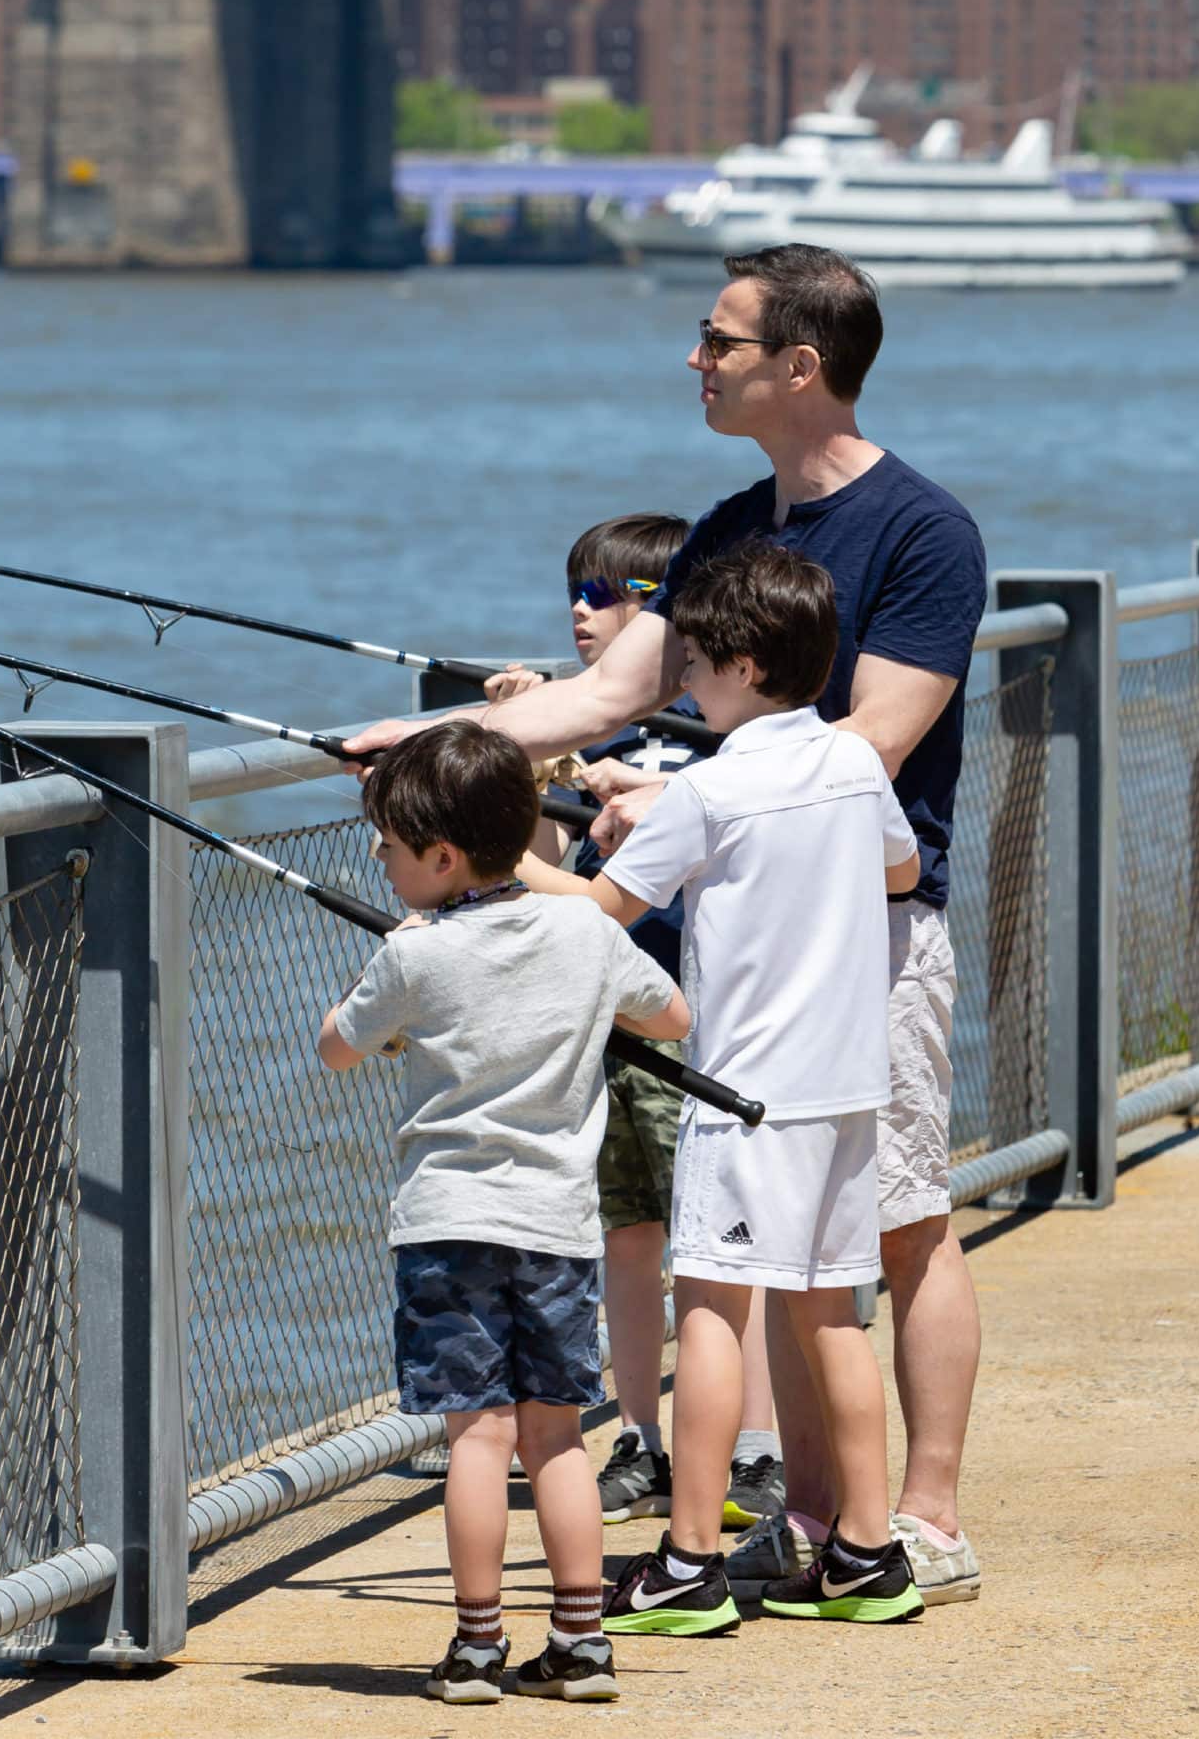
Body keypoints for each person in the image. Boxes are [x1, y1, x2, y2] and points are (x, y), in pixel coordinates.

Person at [345, 244, 988, 1604]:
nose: (692, 361)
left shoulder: (926, 533)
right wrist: (442, 740)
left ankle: (924, 1516)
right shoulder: (726, 528)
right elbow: (599, 701)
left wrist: (686, 789)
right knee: (807, 1267)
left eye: (718, 341)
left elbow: (870, 747)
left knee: (902, 1223)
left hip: (874, 935)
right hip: (740, 945)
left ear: (798, 367)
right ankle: (817, 1522)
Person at [577, 542, 926, 1632]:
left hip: (742, 1096)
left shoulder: (711, 790)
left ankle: (687, 1560)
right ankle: (868, 1551)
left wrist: (508, 863)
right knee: (834, 1315)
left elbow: (595, 918)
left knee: (713, 1309)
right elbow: (902, 870)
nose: (679, 679)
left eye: (688, 661)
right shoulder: (852, 765)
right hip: (843, 1087)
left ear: (734, 661)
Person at [317, 723, 688, 1704]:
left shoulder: (415, 955)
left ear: (441, 858)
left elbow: (336, 1048)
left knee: (474, 1437)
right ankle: (581, 1641)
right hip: (559, 1230)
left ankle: (477, 1645)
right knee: (556, 1434)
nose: (378, 859)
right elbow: (673, 1016)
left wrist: (398, 974)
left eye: (389, 847)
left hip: (447, 1227)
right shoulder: (588, 932)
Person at [490, 512, 785, 1532]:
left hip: (700, 1019)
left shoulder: (727, 738)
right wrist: (523, 753)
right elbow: (537, 869)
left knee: (723, 1244)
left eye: (609, 593)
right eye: (576, 589)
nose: (583, 609)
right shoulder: (587, 739)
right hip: (607, 1024)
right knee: (628, 1236)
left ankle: (756, 1451)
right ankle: (641, 1439)